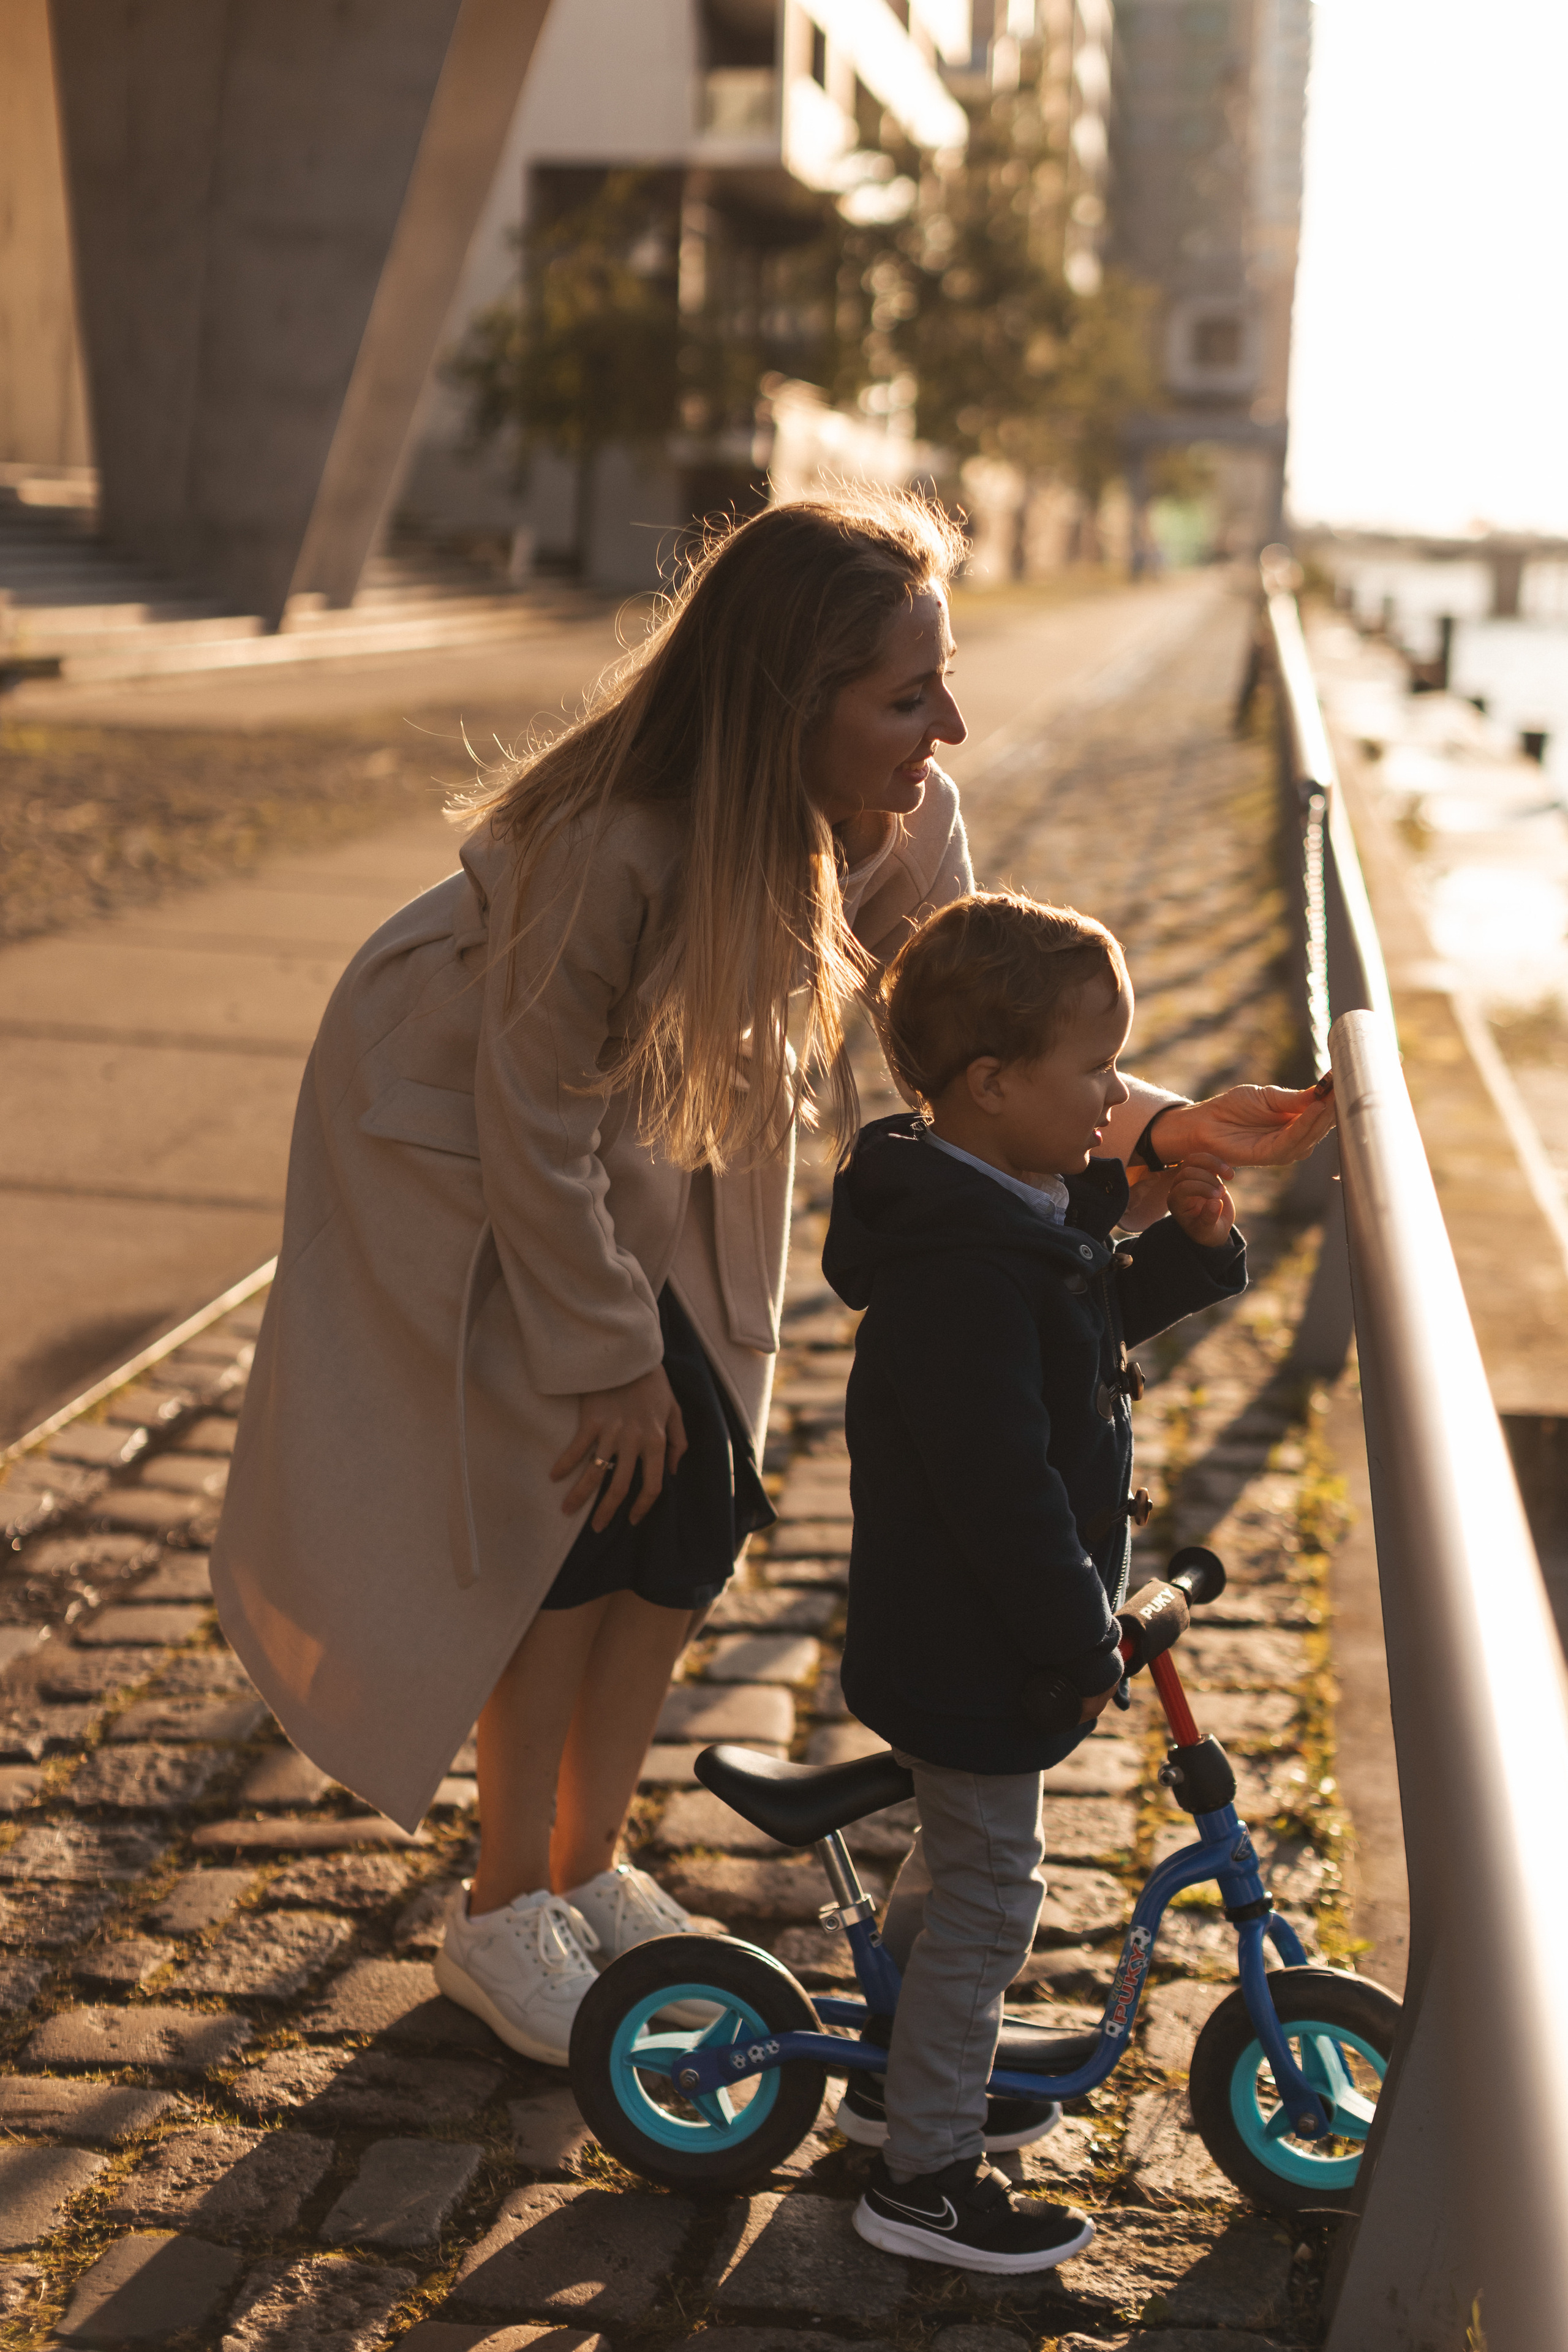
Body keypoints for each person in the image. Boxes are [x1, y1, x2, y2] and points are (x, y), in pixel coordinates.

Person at [211, 489, 1333, 2075]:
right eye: (907, 695)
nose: (949, 726)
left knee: (690, 1512)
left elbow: (985, 1046)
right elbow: (531, 1117)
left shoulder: (903, 816)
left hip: (660, 1137)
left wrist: (1162, 1126)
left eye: (944, 682)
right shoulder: (602, 844)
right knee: (573, 1516)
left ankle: (588, 1866)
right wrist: (605, 1352)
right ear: (784, 703)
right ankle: (500, 1905)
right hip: (457, 1135)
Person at [821, 891, 1247, 2276]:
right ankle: (925, 2177)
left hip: (964, 1639)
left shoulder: (1000, 1212)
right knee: (995, 1894)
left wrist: (1181, 1256)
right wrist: (1078, 1638)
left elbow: (1076, 1327)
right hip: (972, 1643)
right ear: (993, 1084)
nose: (1122, 1100)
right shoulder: (958, 1270)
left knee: (958, 1863)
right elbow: (998, 1488)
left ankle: (902, 2075)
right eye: (1098, 1070)